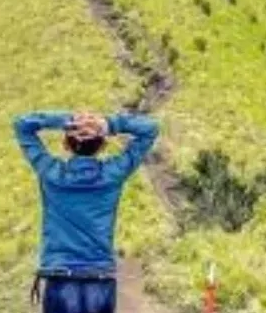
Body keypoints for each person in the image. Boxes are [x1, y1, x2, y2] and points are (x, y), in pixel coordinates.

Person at [13, 110, 160, 313]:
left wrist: (66, 121)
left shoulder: (52, 174)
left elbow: (22, 124)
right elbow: (150, 129)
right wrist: (107, 124)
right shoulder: (112, 174)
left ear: (66, 145)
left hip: (60, 280)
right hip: (100, 281)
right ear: (103, 145)